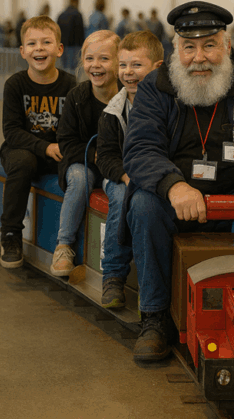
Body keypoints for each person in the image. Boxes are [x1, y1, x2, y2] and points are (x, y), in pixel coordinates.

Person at [121, 1, 234, 361]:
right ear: (176, 49)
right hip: (178, 200)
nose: (199, 57)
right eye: (189, 47)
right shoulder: (155, 88)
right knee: (143, 204)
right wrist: (173, 186)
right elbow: (141, 148)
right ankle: (155, 317)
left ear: (227, 44)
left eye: (209, 45)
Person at [0, 16, 77, 268]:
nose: (39, 48)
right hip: (21, 150)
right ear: (23, 51)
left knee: (80, 171)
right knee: (23, 162)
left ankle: (67, 242)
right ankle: (11, 234)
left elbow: (75, 129)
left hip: (58, 152)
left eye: (46, 42)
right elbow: (11, 132)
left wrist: (63, 149)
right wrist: (45, 147)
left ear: (59, 49)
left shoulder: (71, 85)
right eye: (32, 44)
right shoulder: (15, 85)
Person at [96, 31, 163, 308]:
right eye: (123, 65)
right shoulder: (113, 111)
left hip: (154, 177)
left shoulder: (170, 105)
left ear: (157, 67)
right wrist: (125, 175)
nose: (128, 72)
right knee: (123, 196)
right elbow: (105, 157)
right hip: (120, 177)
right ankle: (113, 274)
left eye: (136, 65)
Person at [52, 30, 122, 276]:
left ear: (119, 62)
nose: (96, 65)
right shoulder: (77, 97)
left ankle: (116, 257)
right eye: (90, 59)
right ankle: (64, 245)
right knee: (79, 178)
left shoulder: (128, 96)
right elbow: (66, 141)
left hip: (115, 165)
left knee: (121, 191)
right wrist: (94, 155)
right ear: (82, 62)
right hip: (84, 162)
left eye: (104, 58)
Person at [57, 0, 85, 71]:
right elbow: (80, 32)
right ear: (77, 1)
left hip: (62, 45)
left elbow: (57, 31)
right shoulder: (77, 15)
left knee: (64, 68)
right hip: (74, 46)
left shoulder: (61, 15)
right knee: (73, 69)